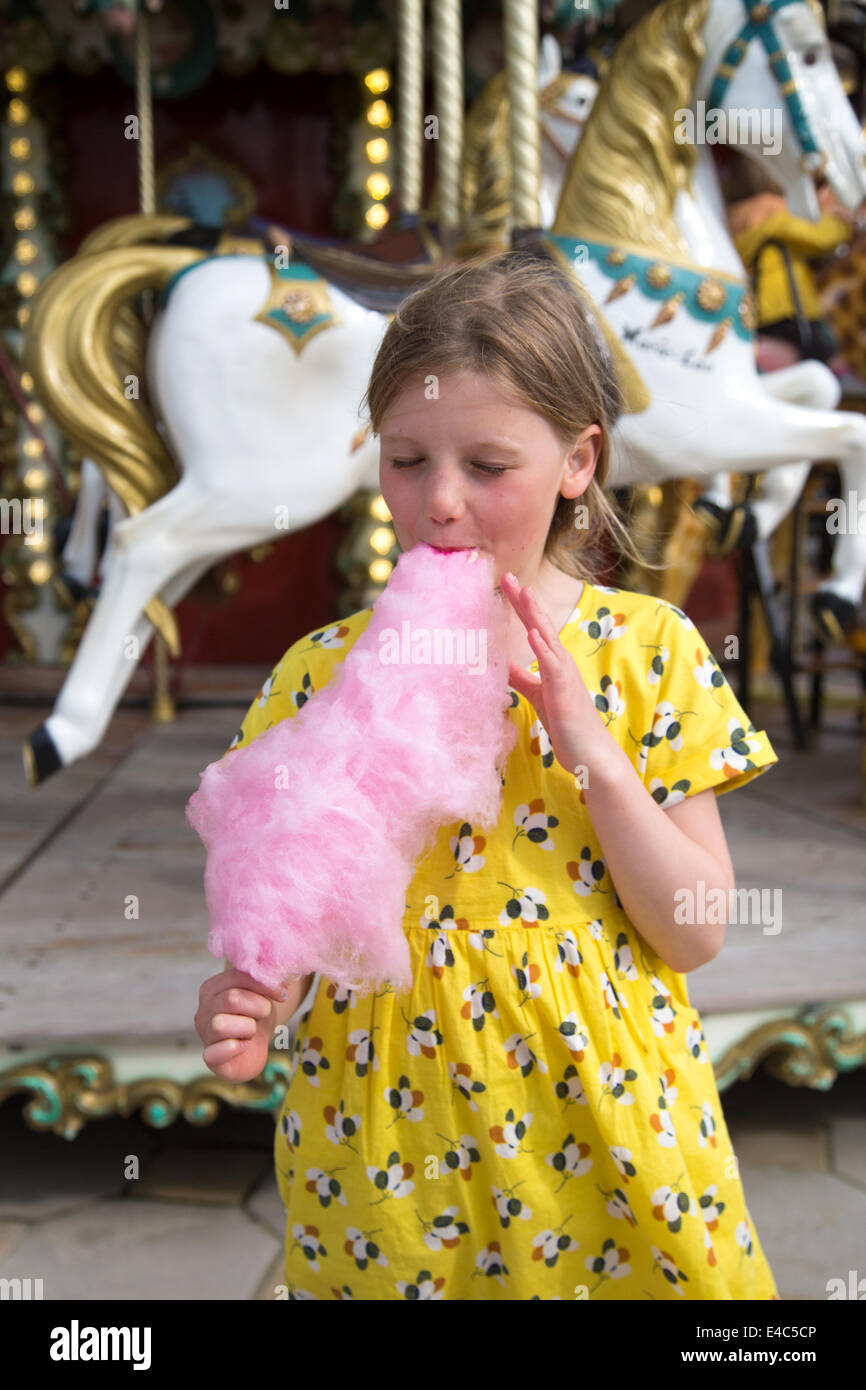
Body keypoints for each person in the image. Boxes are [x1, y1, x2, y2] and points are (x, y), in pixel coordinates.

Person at [194, 247, 780, 1300]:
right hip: (386, 1143)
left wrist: (592, 752)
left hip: (605, 1126)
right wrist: (255, 1001)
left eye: (487, 464)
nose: (440, 501)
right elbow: (299, 909)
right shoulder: (320, 674)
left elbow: (692, 927)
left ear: (577, 462)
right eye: (407, 459)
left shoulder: (649, 650)